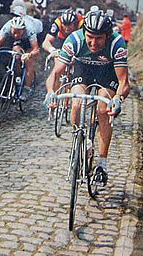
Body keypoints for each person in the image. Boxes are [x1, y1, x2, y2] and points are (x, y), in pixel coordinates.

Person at [44, 11, 130, 185]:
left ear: (107, 35)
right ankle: (80, 140)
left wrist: (118, 99)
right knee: (76, 104)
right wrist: (50, 93)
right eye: (90, 37)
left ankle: (101, 164)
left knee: (102, 110)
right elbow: (56, 72)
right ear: (84, 33)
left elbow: (123, 81)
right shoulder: (74, 40)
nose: (93, 43)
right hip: (84, 70)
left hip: (107, 73)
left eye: (99, 38)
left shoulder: (117, 43)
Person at [0, 16, 40, 101]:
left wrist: (29, 54)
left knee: (28, 61)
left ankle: (26, 88)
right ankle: (17, 76)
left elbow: (36, 49)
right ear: (11, 28)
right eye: (14, 32)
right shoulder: (6, 27)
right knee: (16, 53)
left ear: (23, 29)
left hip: (33, 37)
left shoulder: (30, 29)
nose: (16, 34)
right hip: (21, 40)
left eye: (18, 32)